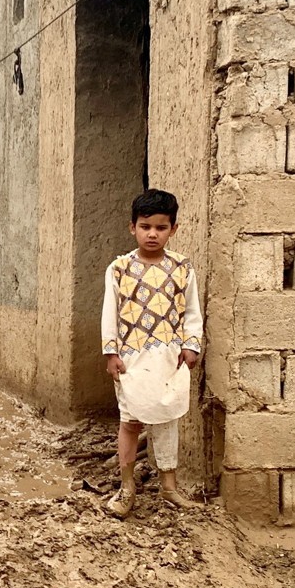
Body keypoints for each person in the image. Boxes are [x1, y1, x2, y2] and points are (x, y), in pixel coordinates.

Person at [102, 189, 204, 519]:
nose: (152, 234)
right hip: (132, 359)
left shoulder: (182, 268)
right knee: (130, 421)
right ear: (132, 227)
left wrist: (191, 345)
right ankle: (127, 487)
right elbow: (110, 313)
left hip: (168, 359)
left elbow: (192, 312)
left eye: (160, 228)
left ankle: (170, 488)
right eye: (146, 226)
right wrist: (111, 352)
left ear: (173, 229)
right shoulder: (119, 269)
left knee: (167, 421)